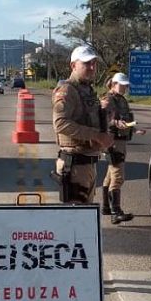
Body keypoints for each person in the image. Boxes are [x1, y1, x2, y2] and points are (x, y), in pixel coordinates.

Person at [51, 45, 114, 204]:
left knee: (84, 217)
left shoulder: (87, 90)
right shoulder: (67, 90)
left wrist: (106, 116)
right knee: (75, 219)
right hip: (74, 165)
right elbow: (60, 123)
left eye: (94, 63)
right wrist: (97, 135)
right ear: (73, 65)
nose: (92, 67)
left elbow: (89, 119)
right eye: (86, 64)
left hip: (87, 164)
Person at [100, 72, 146, 224]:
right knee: (118, 175)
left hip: (120, 138)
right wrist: (114, 123)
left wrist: (133, 129)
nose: (125, 88)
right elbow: (103, 118)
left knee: (110, 174)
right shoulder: (108, 99)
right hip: (113, 140)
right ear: (114, 84)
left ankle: (106, 207)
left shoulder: (121, 99)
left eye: (126, 85)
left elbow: (124, 119)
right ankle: (116, 211)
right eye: (123, 85)